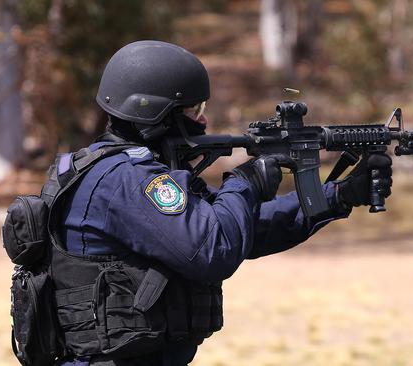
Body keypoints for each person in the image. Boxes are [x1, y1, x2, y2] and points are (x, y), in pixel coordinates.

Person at [50, 40, 393, 366]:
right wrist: (245, 184)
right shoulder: (125, 179)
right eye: (193, 110)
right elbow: (212, 249)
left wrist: (339, 195)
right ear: (157, 114)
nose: (203, 120)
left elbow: (242, 229)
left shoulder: (132, 172)